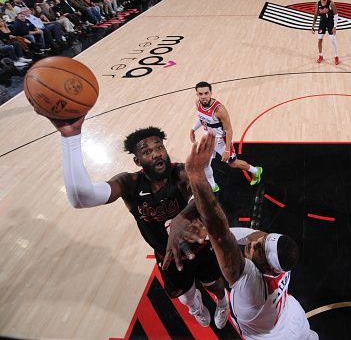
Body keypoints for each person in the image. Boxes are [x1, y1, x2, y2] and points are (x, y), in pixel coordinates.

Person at [44, 116, 229, 329]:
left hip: (201, 248)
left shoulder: (180, 173)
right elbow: (81, 197)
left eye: (159, 147)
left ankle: (222, 303)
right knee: (187, 298)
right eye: (147, 151)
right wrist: (70, 137)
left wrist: (182, 217)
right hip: (167, 257)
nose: (156, 153)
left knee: (215, 284)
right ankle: (197, 309)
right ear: (138, 160)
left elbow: (200, 196)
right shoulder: (129, 184)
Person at [164, 132, 318, 339]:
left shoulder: (250, 284)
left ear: (266, 267)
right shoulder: (280, 261)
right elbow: (254, 235)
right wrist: (208, 236)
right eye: (261, 242)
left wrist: (196, 175)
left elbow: (221, 233)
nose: (254, 245)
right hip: (294, 318)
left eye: (259, 249)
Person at [190, 81, 263, 192]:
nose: (203, 96)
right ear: (197, 94)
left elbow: (228, 130)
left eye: (206, 93)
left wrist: (227, 150)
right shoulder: (198, 103)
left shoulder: (219, 110)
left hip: (221, 142)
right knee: (205, 164)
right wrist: (193, 129)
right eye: (200, 94)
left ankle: (255, 171)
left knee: (233, 164)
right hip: (208, 140)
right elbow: (202, 118)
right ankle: (213, 185)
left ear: (211, 93)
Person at [311, 0, 340, 65]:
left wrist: (335, 26)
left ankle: (336, 56)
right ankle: (320, 55)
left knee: (332, 39)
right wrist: (313, 26)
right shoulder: (318, 4)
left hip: (330, 22)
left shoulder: (331, 3)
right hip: (322, 23)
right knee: (319, 39)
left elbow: (336, 15)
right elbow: (316, 15)